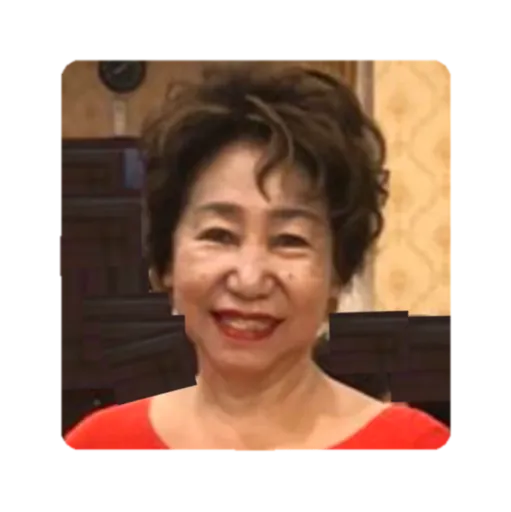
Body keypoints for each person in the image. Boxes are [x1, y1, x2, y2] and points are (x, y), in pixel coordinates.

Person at [64, 62, 451, 453]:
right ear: (167, 261)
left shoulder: (413, 446)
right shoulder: (100, 444)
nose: (249, 279)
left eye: (289, 240)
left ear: (337, 272)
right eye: (219, 235)